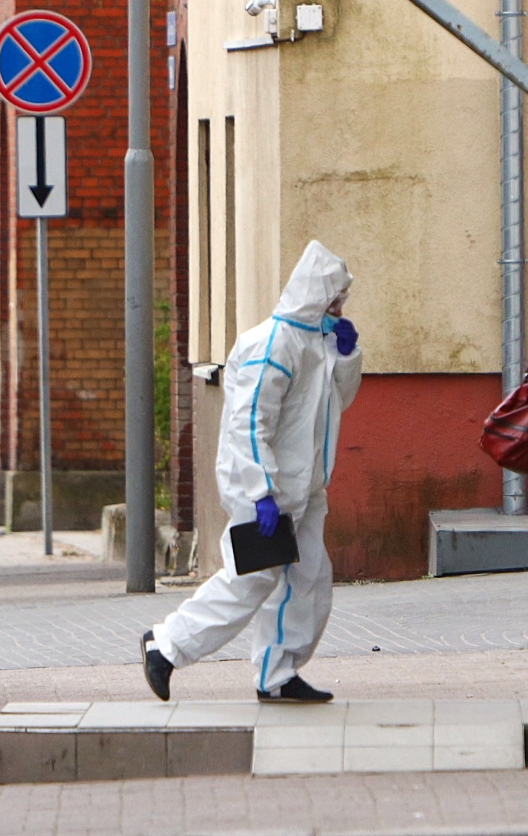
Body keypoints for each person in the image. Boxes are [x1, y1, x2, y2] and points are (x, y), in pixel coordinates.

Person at [142, 241, 363, 703]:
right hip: (268, 488)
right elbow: (249, 422)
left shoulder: (314, 341)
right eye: (335, 298)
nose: (340, 308)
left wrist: (347, 355)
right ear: (317, 296)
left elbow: (337, 403)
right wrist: (261, 490)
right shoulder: (275, 343)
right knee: (251, 579)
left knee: (308, 580)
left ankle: (277, 673)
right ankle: (166, 645)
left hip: (301, 486)